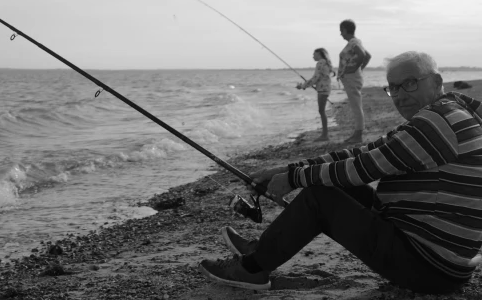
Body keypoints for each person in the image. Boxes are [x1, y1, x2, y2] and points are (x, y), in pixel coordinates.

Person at [199, 51, 482, 294]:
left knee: (321, 196)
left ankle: (251, 269)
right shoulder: (447, 112)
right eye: (392, 87)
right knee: (338, 186)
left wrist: (293, 179)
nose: (399, 96)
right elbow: (365, 153)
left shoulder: (436, 123)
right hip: (440, 259)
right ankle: (262, 250)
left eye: (409, 84)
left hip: (428, 266)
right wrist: (287, 169)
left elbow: (363, 168)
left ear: (437, 81)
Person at [337, 19, 372, 144]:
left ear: (345, 30)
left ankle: (358, 135)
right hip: (352, 77)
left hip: (351, 78)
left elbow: (362, 55)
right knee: (356, 105)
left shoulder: (353, 42)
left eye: (341, 31)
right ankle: (357, 134)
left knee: (356, 106)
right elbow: (367, 56)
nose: (340, 34)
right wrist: (359, 68)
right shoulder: (356, 42)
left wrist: (354, 68)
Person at [296, 48, 335, 141]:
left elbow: (315, 78)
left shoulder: (320, 63)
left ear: (319, 54)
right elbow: (319, 77)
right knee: (322, 111)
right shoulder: (325, 62)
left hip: (323, 89)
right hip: (325, 88)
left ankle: (325, 135)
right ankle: (325, 134)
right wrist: (306, 85)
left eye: (314, 54)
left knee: (322, 111)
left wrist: (303, 86)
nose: (313, 56)